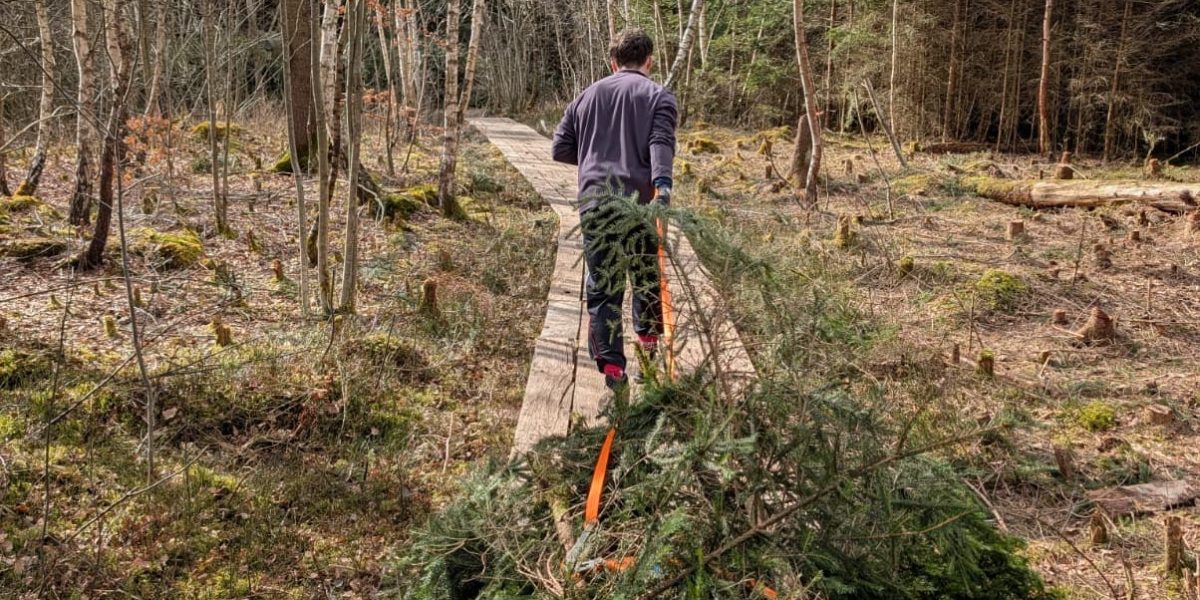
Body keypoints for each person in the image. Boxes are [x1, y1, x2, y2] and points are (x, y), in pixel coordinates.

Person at [551, 28, 678, 391]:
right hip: (639, 202)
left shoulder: (586, 96)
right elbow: (660, 141)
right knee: (645, 275)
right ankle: (649, 343)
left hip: (594, 202)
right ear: (649, 61)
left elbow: (560, 149)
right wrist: (663, 186)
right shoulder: (658, 96)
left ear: (613, 62)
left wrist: (593, 158)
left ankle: (611, 367)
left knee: (603, 284)